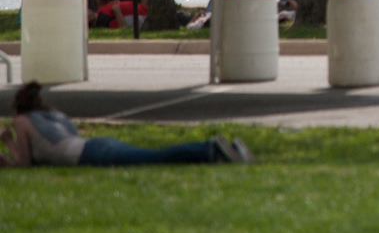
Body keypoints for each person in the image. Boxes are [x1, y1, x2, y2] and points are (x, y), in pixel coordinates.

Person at [6, 83, 249, 167]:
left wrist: (7, 141)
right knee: (151, 156)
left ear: (19, 107)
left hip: (89, 154)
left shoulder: (22, 121)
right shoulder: (52, 115)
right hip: (95, 145)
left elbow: (24, 164)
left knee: (154, 158)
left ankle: (209, 150)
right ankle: (220, 151)